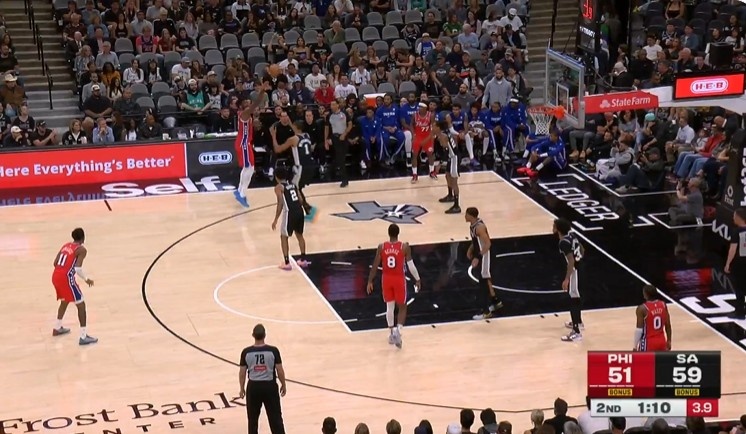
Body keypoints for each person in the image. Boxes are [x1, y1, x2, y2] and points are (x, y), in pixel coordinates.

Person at [366, 223, 421, 349]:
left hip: (386, 279)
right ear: (398, 233)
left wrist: (370, 281)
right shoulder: (404, 247)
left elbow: (375, 265)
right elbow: (411, 265)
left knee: (389, 306)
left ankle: (391, 333)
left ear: (388, 233)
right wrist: (417, 279)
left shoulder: (382, 247)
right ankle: (398, 331)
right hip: (398, 279)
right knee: (402, 306)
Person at [51, 227, 97, 345]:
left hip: (55, 276)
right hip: (66, 278)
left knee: (65, 300)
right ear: (83, 238)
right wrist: (86, 279)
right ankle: (83, 336)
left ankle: (57, 327)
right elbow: (77, 268)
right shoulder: (81, 249)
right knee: (81, 305)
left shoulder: (66, 246)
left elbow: (55, 263)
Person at [239, 323, 287, 434]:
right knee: (275, 418)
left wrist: (242, 388)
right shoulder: (273, 351)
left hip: (254, 387)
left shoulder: (246, 352)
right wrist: (283, 384)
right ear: (265, 335)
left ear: (253, 335)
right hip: (269, 386)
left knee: (253, 420)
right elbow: (279, 370)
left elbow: (242, 373)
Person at [233, 79, 270, 207]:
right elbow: (257, 104)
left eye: (249, 102)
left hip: (243, 143)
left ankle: (239, 191)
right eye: (246, 102)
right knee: (250, 168)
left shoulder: (245, 114)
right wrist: (262, 91)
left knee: (247, 167)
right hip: (243, 143)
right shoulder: (245, 113)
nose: (249, 103)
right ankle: (242, 194)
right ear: (241, 106)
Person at [273, 121, 317, 221]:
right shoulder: (307, 135)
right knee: (298, 188)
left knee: (294, 188)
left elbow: (278, 149)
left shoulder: (293, 139)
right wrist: (288, 121)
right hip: (310, 165)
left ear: (295, 127)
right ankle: (307, 208)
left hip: (300, 167)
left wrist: (273, 136)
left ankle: (307, 210)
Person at [466, 207, 503, 319]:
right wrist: (470, 249)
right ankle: (496, 302)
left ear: (471, 216)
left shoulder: (480, 227)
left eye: (466, 214)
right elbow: (476, 241)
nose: (465, 216)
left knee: (482, 283)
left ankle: (485, 312)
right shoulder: (473, 225)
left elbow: (487, 244)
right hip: (481, 254)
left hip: (485, 256)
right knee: (485, 279)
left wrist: (478, 257)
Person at [271, 167, 309, 271]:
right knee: (300, 235)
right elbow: (301, 200)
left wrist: (275, 219)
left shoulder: (279, 187)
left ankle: (287, 263)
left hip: (290, 213)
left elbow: (280, 204)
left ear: (276, 177)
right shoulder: (293, 185)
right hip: (299, 211)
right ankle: (303, 260)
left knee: (284, 237)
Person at [554, 218, 584, 342]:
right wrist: (579, 260)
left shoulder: (563, 242)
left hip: (573, 270)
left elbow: (571, 261)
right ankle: (578, 322)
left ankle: (576, 332)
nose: (553, 227)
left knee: (573, 297)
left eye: (554, 225)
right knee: (575, 295)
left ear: (558, 229)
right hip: (578, 267)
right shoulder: (572, 235)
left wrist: (566, 279)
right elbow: (582, 249)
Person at [433, 120, 461, 214]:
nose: (432, 128)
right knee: (447, 175)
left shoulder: (443, 136)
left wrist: (440, 163)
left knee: (454, 181)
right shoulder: (442, 134)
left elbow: (445, 151)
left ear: (438, 128)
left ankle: (457, 206)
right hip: (451, 157)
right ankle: (450, 196)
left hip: (454, 158)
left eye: (434, 126)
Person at [634, 285, 672, 351]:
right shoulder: (663, 305)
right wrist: (669, 340)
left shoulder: (642, 309)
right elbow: (668, 325)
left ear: (646, 294)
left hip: (648, 342)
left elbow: (639, 330)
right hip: (661, 341)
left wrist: (635, 346)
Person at [725, 208, 746, 319]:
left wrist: (728, 263)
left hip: (740, 263)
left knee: (739, 288)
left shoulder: (736, 232)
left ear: (739, 218)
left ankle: (740, 312)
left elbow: (732, 249)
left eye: (734, 216)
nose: (733, 218)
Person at [411, 102, 436, 182]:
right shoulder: (414, 115)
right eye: (419, 107)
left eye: (421, 107)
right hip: (418, 137)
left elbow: (433, 127)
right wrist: (413, 134)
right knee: (414, 155)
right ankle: (414, 174)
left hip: (427, 137)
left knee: (430, 155)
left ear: (425, 108)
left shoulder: (431, 115)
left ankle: (431, 172)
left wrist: (430, 137)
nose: (419, 108)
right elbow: (411, 125)